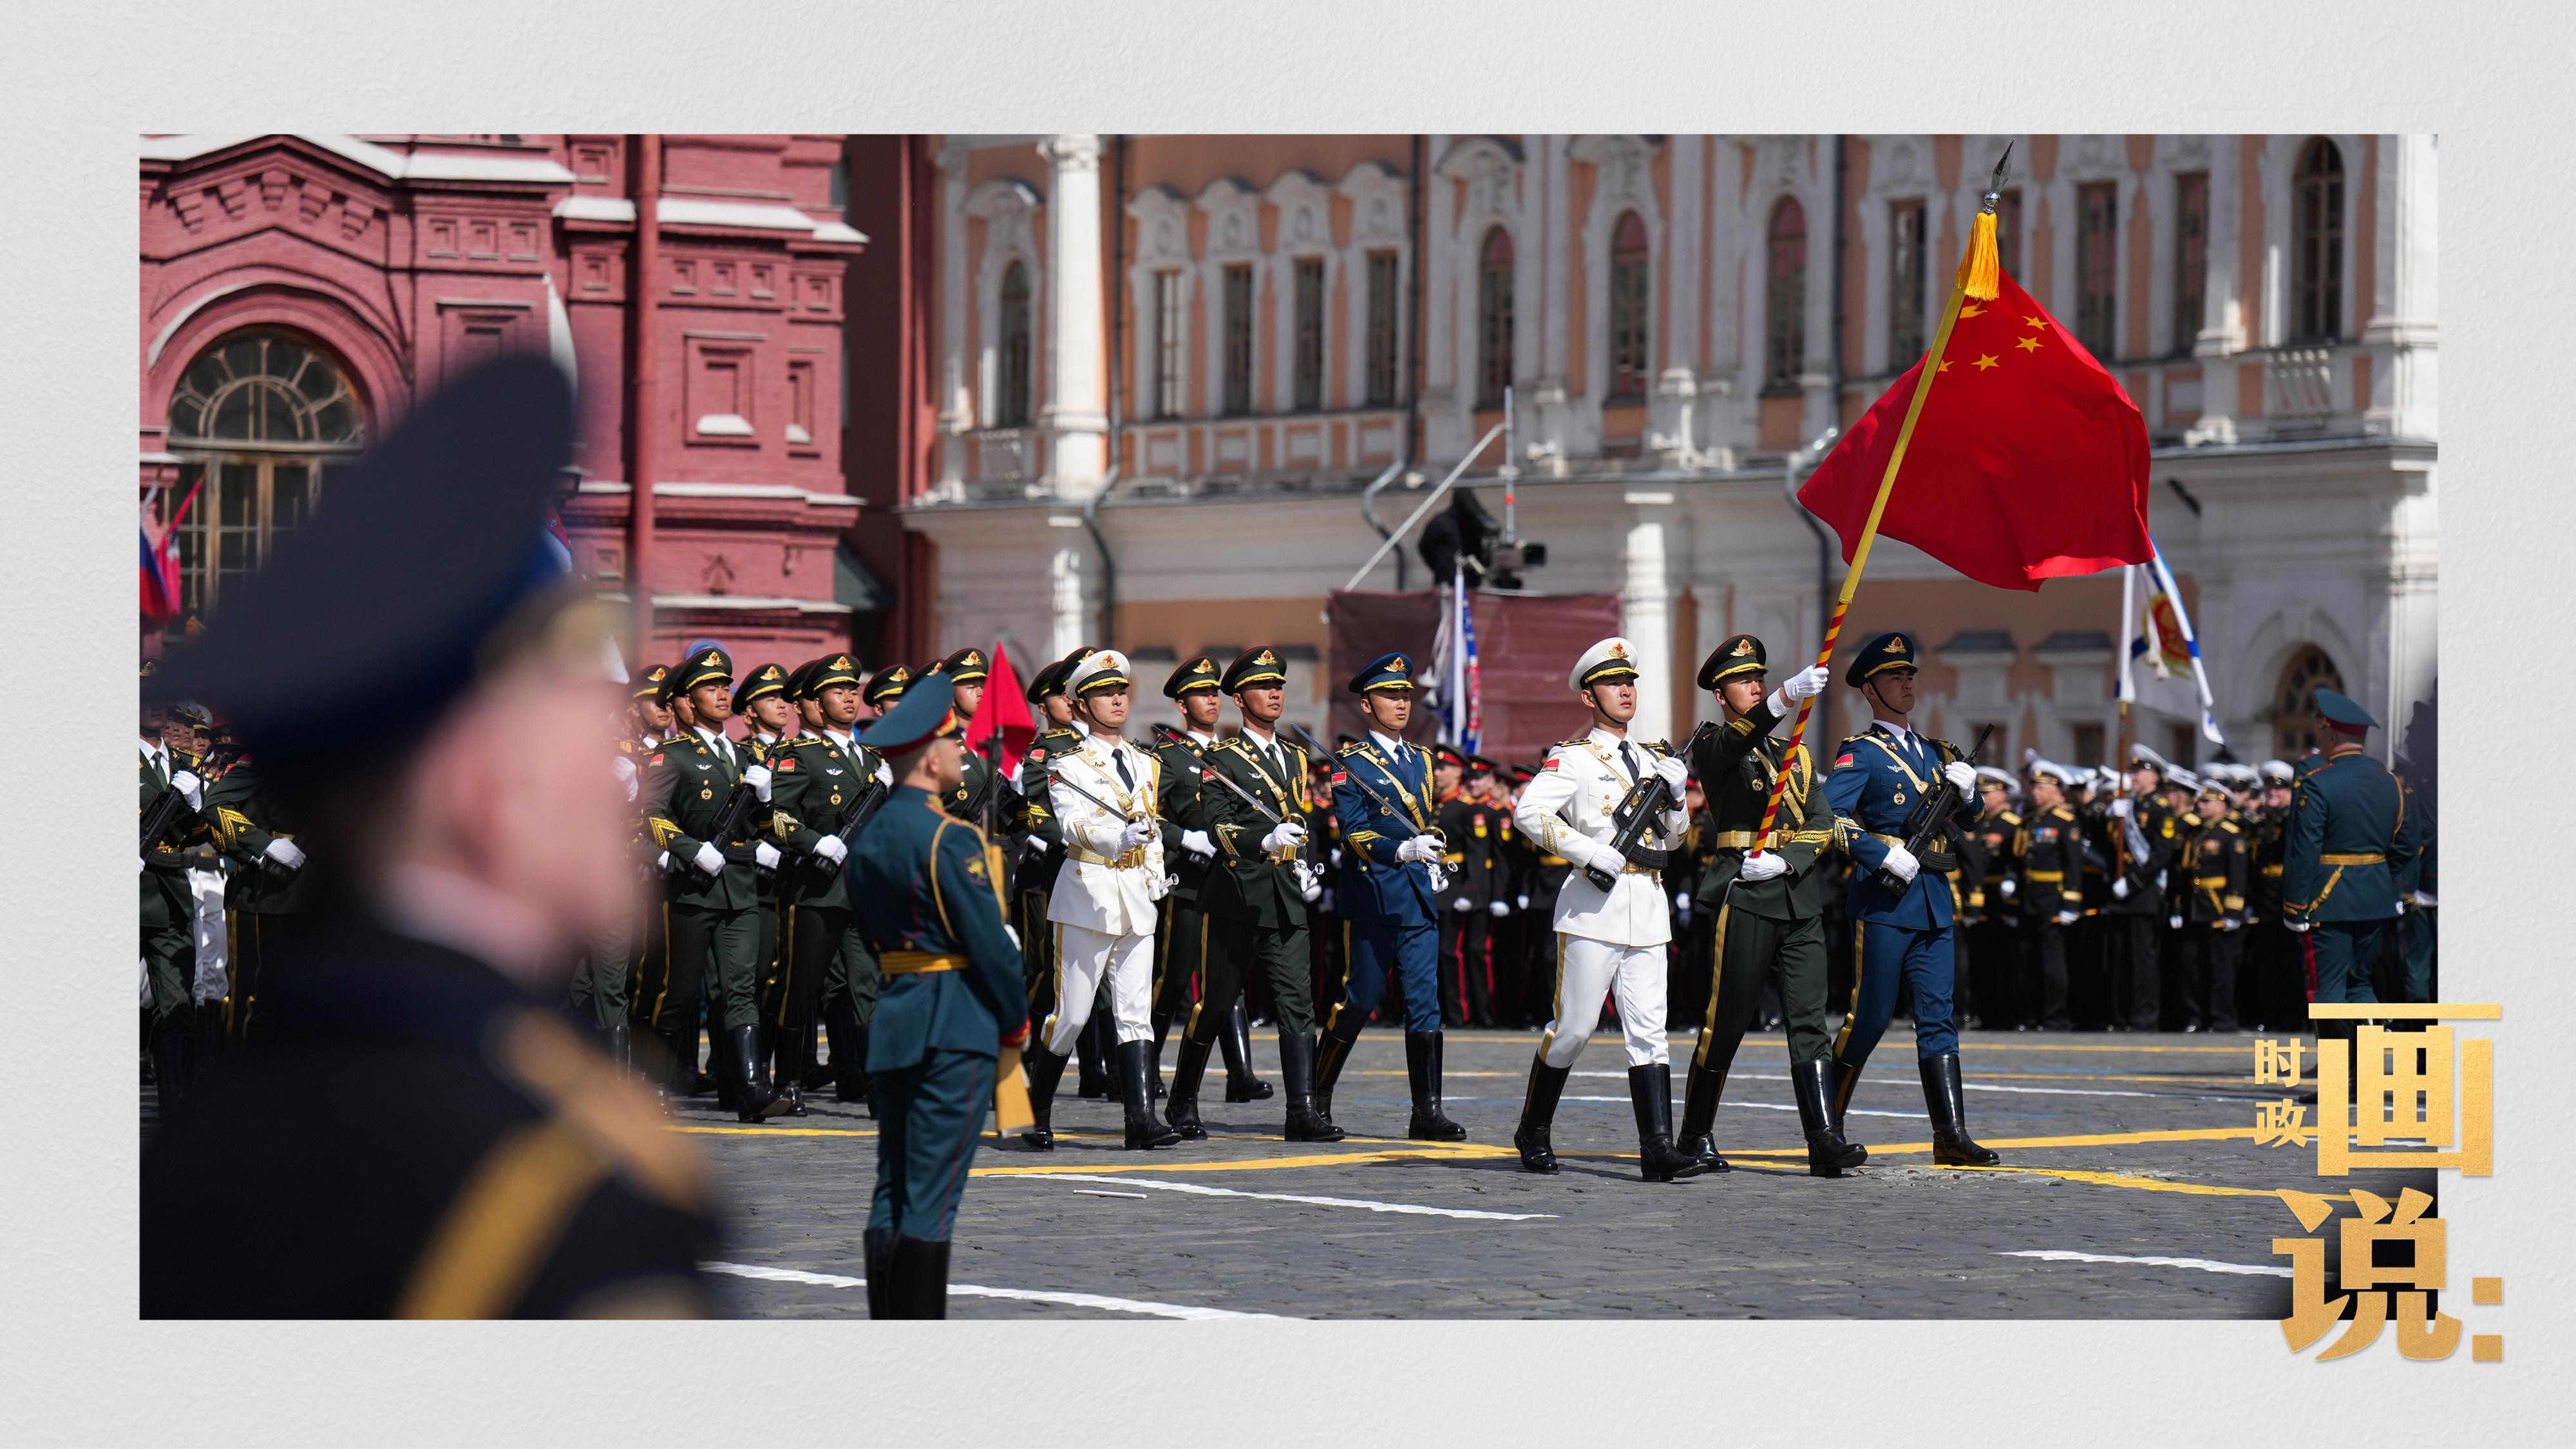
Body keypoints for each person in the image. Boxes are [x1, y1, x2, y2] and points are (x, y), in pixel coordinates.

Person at [142, 357, 717, 1317]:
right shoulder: (563, 1186)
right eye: (580, 719)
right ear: (488, 777)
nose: (623, 773)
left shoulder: (223, 1129)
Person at [846, 672, 1030, 1318]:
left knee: (892, 1185)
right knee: (934, 1197)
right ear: (930, 758)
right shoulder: (950, 837)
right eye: (954, 742)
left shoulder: (868, 840)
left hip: (897, 1015)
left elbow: (872, 933)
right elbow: (990, 948)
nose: (961, 752)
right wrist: (1015, 1022)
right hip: (954, 1022)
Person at [1508, 637, 1704, 1182]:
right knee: (1574, 1028)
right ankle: (1533, 1128)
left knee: (1650, 1032)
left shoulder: (1654, 759)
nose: (1626, 691)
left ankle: (1657, 1148)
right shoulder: (1572, 758)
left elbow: (1674, 839)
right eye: (1613, 684)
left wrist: (1677, 798)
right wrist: (1589, 852)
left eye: (1630, 682)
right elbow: (1529, 813)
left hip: (1648, 906)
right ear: (1588, 697)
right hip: (1594, 910)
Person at [1672, 634, 1863, 1177]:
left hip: (1796, 892)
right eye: (1743, 680)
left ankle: (1824, 1138)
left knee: (1809, 1020)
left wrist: (1788, 861)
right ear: (1720, 696)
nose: (1755, 686)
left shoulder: (1793, 752)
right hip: (1745, 891)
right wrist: (1783, 698)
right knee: (1728, 1020)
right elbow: (1733, 746)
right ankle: (1695, 1134)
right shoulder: (1712, 744)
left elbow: (1822, 820)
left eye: (1760, 677)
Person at [1820, 631, 1998, 1166]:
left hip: (1934, 899)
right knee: (1870, 1018)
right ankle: (1825, 1132)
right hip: (1885, 901)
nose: (1906, 683)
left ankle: (1950, 1136)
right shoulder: (1860, 753)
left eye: (1909, 675)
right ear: (1870, 690)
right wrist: (1879, 854)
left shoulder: (1940, 753)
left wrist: (1970, 793)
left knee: (1939, 1018)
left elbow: (1971, 819)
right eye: (1894, 676)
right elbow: (1828, 818)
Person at [1168, 647, 1341, 1141]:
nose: (1275, 693)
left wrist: (1301, 864)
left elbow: (1297, 823)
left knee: (1298, 1003)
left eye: (1278, 685)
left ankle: (1301, 1112)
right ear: (1240, 699)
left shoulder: (1295, 756)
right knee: (1217, 1004)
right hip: (1237, 896)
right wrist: (1263, 841)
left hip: (1285, 895)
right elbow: (1218, 827)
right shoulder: (1220, 758)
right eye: (1264, 687)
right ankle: (1182, 1101)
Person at [1019, 650, 1181, 1150]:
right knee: (1072, 1014)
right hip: (1088, 895)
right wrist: (1116, 839)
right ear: (1081, 705)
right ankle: (1035, 1111)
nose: (1117, 700)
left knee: (1134, 1012)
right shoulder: (1066, 764)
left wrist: (1155, 872)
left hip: (1136, 897)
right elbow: (1071, 823)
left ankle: (1141, 1120)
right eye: (1104, 694)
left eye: (1121, 691)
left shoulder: (1145, 762)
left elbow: (1152, 828)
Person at [639, 646, 790, 1122]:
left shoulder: (746, 756)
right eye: (711, 687)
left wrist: (765, 800)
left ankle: (752, 1089)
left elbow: (760, 825)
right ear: (688, 700)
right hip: (692, 891)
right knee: (680, 993)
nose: (723, 694)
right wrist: (689, 850)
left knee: (740, 989)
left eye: (726, 685)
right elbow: (649, 817)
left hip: (740, 889)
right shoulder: (672, 756)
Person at [1313, 653, 1455, 1137]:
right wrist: (1402, 850)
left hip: (1418, 897)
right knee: (1359, 1000)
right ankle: (1317, 1098)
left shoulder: (1422, 759)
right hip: (1374, 896)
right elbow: (1353, 833)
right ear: (1367, 704)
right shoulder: (1350, 765)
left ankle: (1427, 1112)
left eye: (1405, 695)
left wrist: (1429, 855)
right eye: (1390, 696)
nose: (1401, 703)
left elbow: (1422, 822)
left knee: (1425, 1004)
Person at [766, 653, 890, 1115]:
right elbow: (775, 816)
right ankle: (789, 1081)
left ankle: (878, 1088)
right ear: (818, 704)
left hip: (864, 892)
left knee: (868, 989)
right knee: (802, 987)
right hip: (818, 890)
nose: (849, 698)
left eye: (852, 690)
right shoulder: (801, 757)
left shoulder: (874, 760)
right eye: (838, 692)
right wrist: (815, 842)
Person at [2282, 689, 2422, 1036]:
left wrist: (2295, 906)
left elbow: (2304, 850)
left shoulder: (2318, 784)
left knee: (2327, 991)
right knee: (2361, 986)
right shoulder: (2391, 783)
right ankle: (2365, 1070)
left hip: (2328, 901)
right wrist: (2385, 885)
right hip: (2376, 900)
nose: (2318, 739)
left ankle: (2338, 1072)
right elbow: (2406, 846)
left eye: (2320, 732)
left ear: (2331, 735)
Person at [1148, 656, 1224, 1101]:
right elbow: (1147, 814)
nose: (1212, 700)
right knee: (1175, 976)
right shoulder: (1170, 757)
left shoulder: (1232, 754)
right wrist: (1186, 838)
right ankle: (1148, 1062)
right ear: (1182, 705)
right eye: (1201, 694)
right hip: (1187, 879)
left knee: (1227, 981)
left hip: (1227, 880)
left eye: (1215, 693)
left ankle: (1240, 1074)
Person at [2096, 744, 2183, 1032]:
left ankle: (2143, 1017)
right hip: (2119, 892)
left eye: (2139, 772)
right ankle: (2119, 1016)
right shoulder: (2125, 806)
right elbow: (2104, 845)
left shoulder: (2161, 809)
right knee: (2118, 958)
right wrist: (2108, 816)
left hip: (2143, 893)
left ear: (2155, 776)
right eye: (2131, 771)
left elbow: (2161, 855)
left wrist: (2132, 883)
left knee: (2142, 960)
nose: (2133, 776)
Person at [2015, 761, 2087, 1032]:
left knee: (2052, 962)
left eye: (2042, 788)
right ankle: (2031, 1015)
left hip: (2053, 899)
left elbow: (2073, 867)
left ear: (2057, 791)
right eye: (2034, 787)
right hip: (2030, 897)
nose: (2036, 792)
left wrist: (2070, 903)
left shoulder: (2065, 822)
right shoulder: (2030, 822)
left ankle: (2055, 1016)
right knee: (2029, 959)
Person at [2178, 781, 2248, 1034]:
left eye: (2206, 802)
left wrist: (2233, 911)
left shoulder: (2231, 835)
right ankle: (2196, 1017)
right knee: (2192, 965)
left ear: (2221, 805)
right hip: (2196, 908)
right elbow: (2187, 873)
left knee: (2221, 968)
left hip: (2218, 908)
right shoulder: (2197, 833)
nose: (2200, 806)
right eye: (2199, 801)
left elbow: (2238, 876)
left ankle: (2222, 1019)